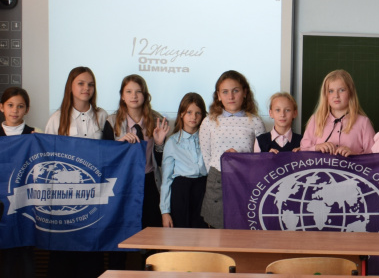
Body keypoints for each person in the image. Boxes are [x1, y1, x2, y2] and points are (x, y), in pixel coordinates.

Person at [44, 66, 111, 278]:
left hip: (92, 194)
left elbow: (110, 152)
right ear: (71, 86)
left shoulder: (102, 116)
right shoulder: (56, 118)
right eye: (81, 83)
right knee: (63, 248)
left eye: (90, 84)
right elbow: (46, 156)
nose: (86, 88)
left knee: (90, 249)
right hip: (63, 196)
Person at [199, 70, 265, 229]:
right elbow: (206, 155)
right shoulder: (209, 121)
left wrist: (240, 160)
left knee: (243, 226)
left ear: (245, 93)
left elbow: (261, 157)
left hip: (245, 179)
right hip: (217, 179)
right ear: (218, 95)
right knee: (217, 227)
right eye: (225, 92)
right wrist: (220, 170)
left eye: (236, 91)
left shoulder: (255, 121)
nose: (231, 96)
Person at [108, 74, 170, 230]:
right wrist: (119, 145)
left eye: (138, 91)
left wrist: (159, 144)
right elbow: (106, 158)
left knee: (151, 231)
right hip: (123, 183)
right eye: (129, 91)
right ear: (122, 96)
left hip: (149, 182)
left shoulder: (157, 120)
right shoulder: (111, 122)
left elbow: (163, 161)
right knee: (122, 231)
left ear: (145, 95)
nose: (134, 96)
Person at [0, 87, 35, 278]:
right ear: (2, 107)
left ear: (27, 109)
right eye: (10, 105)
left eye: (20, 106)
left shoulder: (35, 135)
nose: (15, 110)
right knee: (6, 256)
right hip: (2, 206)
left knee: (26, 254)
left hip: (27, 204)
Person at [160, 92, 208, 229]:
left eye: (198, 113)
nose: (193, 117)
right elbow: (166, 179)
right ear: (181, 114)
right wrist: (165, 212)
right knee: (181, 234)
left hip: (203, 191)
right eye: (189, 112)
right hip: (181, 192)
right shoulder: (172, 142)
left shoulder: (207, 139)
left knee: (202, 234)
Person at [300, 69, 374, 156]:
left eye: (341, 90)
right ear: (325, 95)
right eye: (331, 91)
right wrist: (317, 147)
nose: (336, 95)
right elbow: (302, 151)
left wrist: (354, 154)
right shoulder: (316, 120)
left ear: (350, 92)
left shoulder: (363, 122)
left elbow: (374, 157)